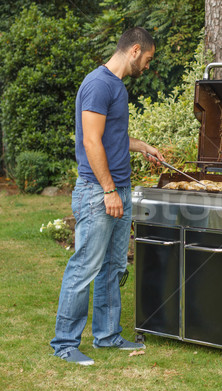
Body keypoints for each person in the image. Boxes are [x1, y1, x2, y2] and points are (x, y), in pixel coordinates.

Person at [50, 27, 165, 366]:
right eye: (147, 58)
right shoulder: (99, 85)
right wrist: (109, 190)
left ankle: (107, 336)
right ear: (134, 50)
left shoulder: (116, 86)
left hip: (119, 189)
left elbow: (111, 136)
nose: (147, 65)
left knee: (113, 267)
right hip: (99, 191)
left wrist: (141, 146)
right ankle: (65, 343)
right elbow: (90, 141)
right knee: (85, 266)